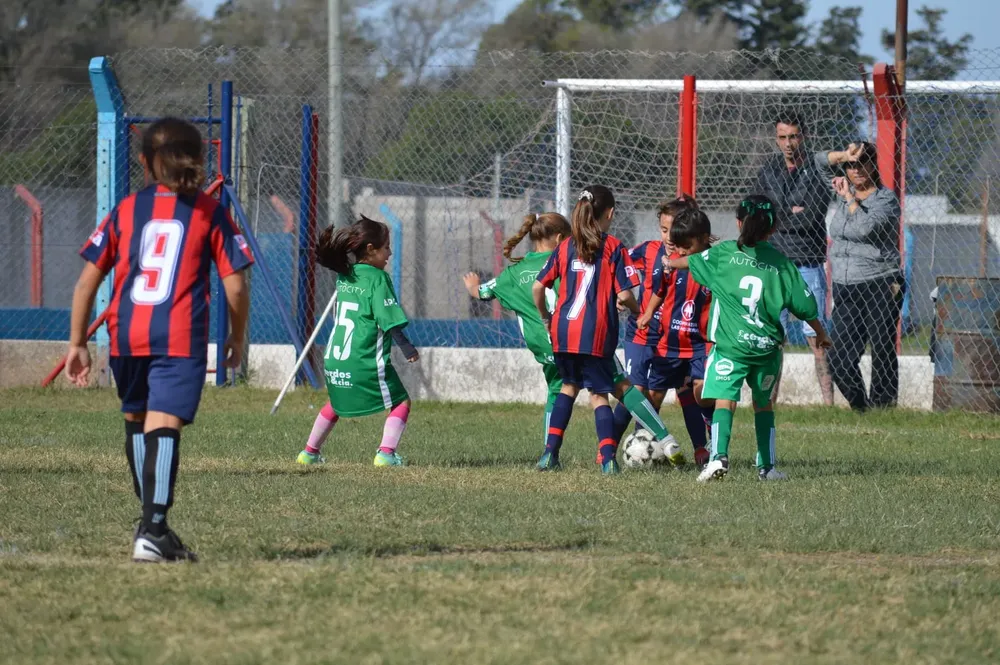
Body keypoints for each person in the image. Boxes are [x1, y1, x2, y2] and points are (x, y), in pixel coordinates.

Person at [66, 117, 254, 563]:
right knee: (163, 424)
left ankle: (150, 521)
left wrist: (76, 342)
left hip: (126, 334)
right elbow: (236, 286)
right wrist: (237, 337)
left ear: (145, 162)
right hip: (178, 335)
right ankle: (153, 529)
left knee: (137, 420)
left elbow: (87, 282)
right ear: (197, 158)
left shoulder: (127, 210)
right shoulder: (209, 212)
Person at [462, 212, 677, 466]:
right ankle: (662, 440)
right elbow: (589, 288)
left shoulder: (512, 274)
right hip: (576, 338)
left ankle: (549, 453)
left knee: (559, 391)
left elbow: (483, 293)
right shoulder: (568, 259)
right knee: (617, 387)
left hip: (546, 350)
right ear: (562, 238)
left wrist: (472, 287)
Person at [659, 196, 832, 482]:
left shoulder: (723, 254)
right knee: (763, 405)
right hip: (766, 351)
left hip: (730, 348)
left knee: (725, 401)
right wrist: (822, 334)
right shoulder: (782, 265)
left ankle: (718, 459)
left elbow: (691, 260)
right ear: (773, 229)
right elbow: (806, 307)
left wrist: (668, 261)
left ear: (739, 222)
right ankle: (767, 467)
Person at [534, 185, 668, 474]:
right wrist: (637, 311)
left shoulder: (565, 246)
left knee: (567, 388)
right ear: (610, 213)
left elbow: (538, 286)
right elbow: (623, 294)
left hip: (563, 331)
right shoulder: (613, 247)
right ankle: (608, 460)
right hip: (595, 334)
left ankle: (548, 454)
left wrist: (546, 317)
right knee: (599, 396)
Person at [296, 217, 418, 467]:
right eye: (386, 247)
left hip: (335, 360)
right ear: (371, 249)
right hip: (364, 359)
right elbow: (388, 319)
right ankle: (386, 453)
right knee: (401, 402)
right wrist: (406, 347)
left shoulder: (345, 276)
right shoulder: (377, 278)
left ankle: (309, 453)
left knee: (336, 403)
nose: (390, 253)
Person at [752, 114, 834, 405]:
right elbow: (758, 212)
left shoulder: (817, 169)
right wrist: (790, 213)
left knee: (817, 338)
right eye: (783, 137)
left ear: (804, 136)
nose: (789, 143)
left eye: (794, 136)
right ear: (777, 139)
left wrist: (779, 216)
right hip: (773, 265)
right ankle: (767, 401)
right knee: (773, 340)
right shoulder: (768, 170)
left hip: (808, 263)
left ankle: (829, 404)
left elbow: (813, 215)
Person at [618, 195, 707, 464]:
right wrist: (620, 294)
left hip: (683, 337)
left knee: (688, 390)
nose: (668, 237)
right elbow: (620, 267)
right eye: (664, 229)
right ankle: (636, 444)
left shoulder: (699, 259)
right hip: (646, 334)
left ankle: (702, 448)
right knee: (644, 393)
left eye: (673, 230)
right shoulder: (649, 251)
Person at [820, 142, 903, 411]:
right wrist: (844, 155)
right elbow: (817, 162)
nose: (856, 169)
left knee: (882, 351)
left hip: (880, 281)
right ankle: (861, 408)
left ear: (873, 164)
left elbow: (867, 228)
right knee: (838, 357)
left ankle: (883, 409)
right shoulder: (844, 193)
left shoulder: (885, 199)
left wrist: (849, 199)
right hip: (846, 286)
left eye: (862, 162)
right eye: (851, 165)